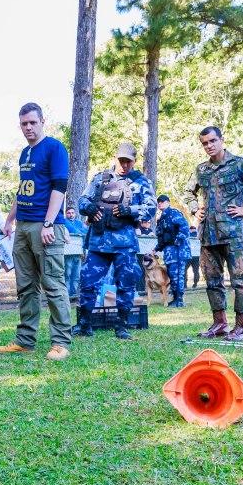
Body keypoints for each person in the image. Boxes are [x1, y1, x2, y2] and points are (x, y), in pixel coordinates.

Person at [183, 125, 243, 340]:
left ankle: (242, 326)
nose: (209, 146)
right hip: (209, 235)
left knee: (239, 281)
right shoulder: (201, 170)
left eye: (212, 141)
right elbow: (188, 191)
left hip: (234, 235)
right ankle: (219, 323)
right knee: (213, 282)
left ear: (221, 140)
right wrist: (195, 208)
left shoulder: (241, 164)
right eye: (205, 143)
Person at [0, 103, 72, 360]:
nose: (28, 127)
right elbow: (23, 189)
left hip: (46, 225)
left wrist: (49, 223)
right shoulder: (24, 154)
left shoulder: (54, 148)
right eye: (24, 124)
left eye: (32, 122)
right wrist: (9, 220)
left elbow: (59, 188)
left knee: (53, 284)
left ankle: (61, 342)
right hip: (24, 227)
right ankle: (25, 340)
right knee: (26, 286)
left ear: (42, 122)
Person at [72, 143, 157, 340]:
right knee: (88, 282)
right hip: (98, 241)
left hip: (124, 243)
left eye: (128, 161)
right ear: (115, 158)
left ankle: (122, 325)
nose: (124, 165)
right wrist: (90, 208)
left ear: (135, 161)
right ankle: (85, 324)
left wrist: (131, 211)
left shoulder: (141, 182)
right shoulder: (101, 178)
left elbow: (151, 208)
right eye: (121, 160)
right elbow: (82, 200)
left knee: (126, 283)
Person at [154, 195, 190, 307]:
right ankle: (175, 298)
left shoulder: (174, 213)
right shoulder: (161, 218)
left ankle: (179, 300)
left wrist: (178, 241)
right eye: (158, 202)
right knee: (172, 275)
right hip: (169, 252)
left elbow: (184, 227)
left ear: (168, 202)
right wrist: (156, 248)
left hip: (178, 250)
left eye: (162, 201)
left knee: (178, 275)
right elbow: (162, 237)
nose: (160, 203)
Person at [63, 206, 87, 300]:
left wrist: (80, 232)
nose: (71, 214)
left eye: (72, 212)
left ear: (75, 213)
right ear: (66, 214)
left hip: (78, 251)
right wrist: (80, 232)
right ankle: (67, 294)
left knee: (76, 274)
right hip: (68, 252)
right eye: (69, 213)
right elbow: (73, 230)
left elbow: (85, 232)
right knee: (67, 273)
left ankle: (74, 294)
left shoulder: (79, 222)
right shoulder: (64, 222)